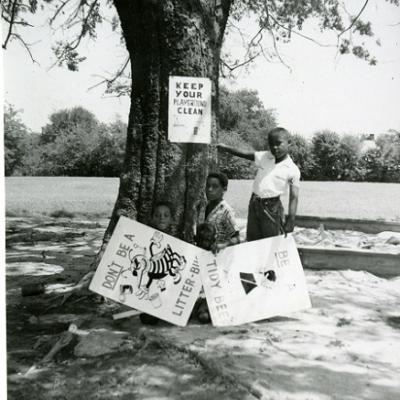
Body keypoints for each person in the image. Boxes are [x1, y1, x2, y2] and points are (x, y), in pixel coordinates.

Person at [217, 127, 300, 241]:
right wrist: (226, 148)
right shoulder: (265, 156)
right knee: (253, 240)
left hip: (272, 208)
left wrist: (291, 220)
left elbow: (294, 197)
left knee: (271, 241)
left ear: (289, 143)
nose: (274, 147)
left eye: (278, 143)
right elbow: (245, 153)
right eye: (271, 144)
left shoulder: (292, 169)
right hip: (254, 203)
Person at [139, 201, 174, 325]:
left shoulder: (177, 242)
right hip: (152, 288)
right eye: (157, 215)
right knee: (148, 319)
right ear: (152, 218)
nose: (161, 218)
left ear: (171, 219)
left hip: (168, 289)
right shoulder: (145, 240)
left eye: (166, 215)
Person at [202, 172, 240, 253]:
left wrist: (223, 245)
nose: (210, 189)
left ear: (224, 189)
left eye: (215, 187)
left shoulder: (226, 211)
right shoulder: (203, 207)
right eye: (208, 185)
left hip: (218, 257)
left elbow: (237, 238)